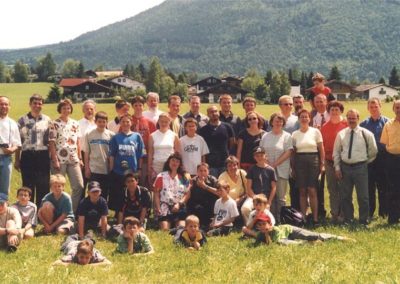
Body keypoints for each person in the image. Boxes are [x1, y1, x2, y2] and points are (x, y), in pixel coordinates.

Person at [333, 109, 377, 225]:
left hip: (360, 167)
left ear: (358, 119)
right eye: (349, 118)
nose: (351, 120)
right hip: (345, 168)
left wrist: (364, 162)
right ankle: (348, 219)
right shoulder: (341, 134)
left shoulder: (366, 134)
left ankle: (363, 220)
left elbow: (373, 151)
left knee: (363, 196)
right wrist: (337, 168)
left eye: (354, 118)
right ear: (346, 119)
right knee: (345, 196)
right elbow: (336, 152)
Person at [49, 99, 83, 212]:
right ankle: (56, 211)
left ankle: (70, 211)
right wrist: (55, 160)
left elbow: (78, 142)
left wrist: (80, 158)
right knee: (57, 187)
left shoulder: (75, 123)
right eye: (64, 108)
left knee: (79, 186)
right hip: (59, 159)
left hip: (73, 159)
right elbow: (52, 143)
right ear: (60, 109)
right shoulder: (54, 124)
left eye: (68, 108)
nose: (66, 110)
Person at [15, 94, 50, 205]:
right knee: (28, 184)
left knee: (43, 184)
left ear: (42, 105)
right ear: (30, 104)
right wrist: (17, 159)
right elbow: (17, 142)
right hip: (27, 155)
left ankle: (41, 211)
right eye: (34, 103)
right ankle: (29, 210)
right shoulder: (21, 120)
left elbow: (51, 141)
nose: (37, 105)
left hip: (43, 155)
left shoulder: (47, 120)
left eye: (39, 103)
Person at [292, 109, 325, 225]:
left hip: (313, 161)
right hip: (299, 161)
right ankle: (303, 218)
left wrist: (322, 163)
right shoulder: (295, 134)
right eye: (302, 117)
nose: (304, 119)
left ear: (309, 119)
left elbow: (321, 149)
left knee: (312, 189)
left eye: (306, 117)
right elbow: (293, 152)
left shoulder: (315, 132)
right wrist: (293, 167)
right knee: (302, 191)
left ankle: (315, 218)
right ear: (299, 119)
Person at [109, 114, 145, 213]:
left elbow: (140, 154)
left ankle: (133, 211)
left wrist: (140, 169)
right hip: (118, 171)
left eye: (127, 121)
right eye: (123, 122)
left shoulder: (137, 136)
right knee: (119, 193)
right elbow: (112, 155)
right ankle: (118, 213)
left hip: (132, 171)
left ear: (131, 123)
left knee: (132, 192)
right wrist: (111, 170)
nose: (125, 124)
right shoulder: (116, 137)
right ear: (120, 123)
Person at [260, 113, 293, 222]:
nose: (278, 123)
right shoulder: (265, 136)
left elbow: (288, 152)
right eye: (276, 121)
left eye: (280, 121)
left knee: (280, 197)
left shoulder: (287, 136)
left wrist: (275, 164)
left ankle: (281, 220)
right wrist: (268, 164)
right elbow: (261, 151)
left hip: (281, 169)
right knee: (270, 196)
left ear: (283, 123)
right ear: (271, 122)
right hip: (267, 170)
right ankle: (271, 219)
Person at [360, 98, 389, 218]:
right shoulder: (363, 124)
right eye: (371, 107)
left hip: (384, 158)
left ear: (380, 106)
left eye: (376, 106)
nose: (373, 109)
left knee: (383, 186)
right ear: (368, 108)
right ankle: (370, 212)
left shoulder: (388, 122)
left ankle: (384, 213)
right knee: (369, 187)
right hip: (369, 159)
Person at [253, 212, 353, 246]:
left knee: (311, 235)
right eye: (259, 225)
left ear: (270, 224)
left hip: (290, 230)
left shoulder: (275, 230)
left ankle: (339, 238)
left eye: (264, 224)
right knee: (286, 243)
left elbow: (274, 242)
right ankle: (310, 243)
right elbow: (256, 241)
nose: (262, 227)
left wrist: (267, 234)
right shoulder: (260, 234)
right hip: (287, 238)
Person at [321, 101, 347, 223]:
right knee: (332, 189)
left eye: (337, 109)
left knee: (343, 188)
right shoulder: (324, 127)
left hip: (343, 162)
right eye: (332, 109)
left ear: (341, 111)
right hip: (329, 162)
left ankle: (343, 214)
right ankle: (334, 213)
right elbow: (322, 146)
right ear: (329, 111)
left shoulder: (346, 125)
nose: (334, 112)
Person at [153, 153, 191, 231]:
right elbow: (156, 193)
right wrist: (158, 208)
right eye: (173, 160)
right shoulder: (161, 176)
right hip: (165, 206)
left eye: (177, 161)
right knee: (165, 230)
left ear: (180, 164)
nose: (174, 163)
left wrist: (179, 204)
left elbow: (187, 194)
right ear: (168, 162)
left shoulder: (184, 177)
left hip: (179, 207)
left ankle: (176, 225)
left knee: (182, 229)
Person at [83, 111, 114, 201]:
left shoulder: (111, 135)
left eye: (104, 122)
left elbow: (112, 154)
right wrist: (87, 168)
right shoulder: (89, 134)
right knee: (93, 191)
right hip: (94, 168)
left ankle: (102, 212)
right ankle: (92, 212)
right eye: (99, 121)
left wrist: (111, 168)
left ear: (106, 122)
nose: (101, 124)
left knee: (104, 192)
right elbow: (87, 152)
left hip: (106, 169)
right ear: (95, 121)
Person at [242, 147, 277, 223]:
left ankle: (264, 226)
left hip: (266, 197)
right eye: (257, 156)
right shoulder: (252, 169)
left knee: (266, 211)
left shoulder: (271, 170)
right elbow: (249, 187)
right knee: (245, 208)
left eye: (261, 155)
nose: (259, 157)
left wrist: (269, 202)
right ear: (254, 157)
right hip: (253, 196)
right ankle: (250, 225)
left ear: (265, 156)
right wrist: (255, 198)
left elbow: (274, 187)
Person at [199, 105, 235, 178]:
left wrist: (230, 157)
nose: (214, 113)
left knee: (225, 186)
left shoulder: (228, 127)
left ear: (218, 113)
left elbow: (232, 143)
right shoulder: (203, 130)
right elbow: (202, 148)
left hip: (225, 163)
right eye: (211, 112)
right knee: (213, 186)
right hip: (210, 165)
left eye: (215, 111)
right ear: (208, 114)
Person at [380, 100, 400, 224]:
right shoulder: (388, 124)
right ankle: (393, 217)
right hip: (392, 160)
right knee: (393, 189)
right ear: (393, 109)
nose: (399, 109)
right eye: (397, 107)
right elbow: (385, 143)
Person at [130, 95, 156, 185]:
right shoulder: (127, 121)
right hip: (130, 158)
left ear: (143, 106)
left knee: (144, 182)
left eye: (140, 105)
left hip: (145, 158)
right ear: (132, 106)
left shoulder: (150, 122)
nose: (138, 107)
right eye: (136, 105)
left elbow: (154, 142)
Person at [148, 113, 180, 184]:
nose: (164, 123)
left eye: (166, 121)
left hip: (170, 167)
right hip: (156, 166)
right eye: (162, 121)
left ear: (169, 122)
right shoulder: (152, 136)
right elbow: (150, 153)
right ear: (158, 122)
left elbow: (177, 154)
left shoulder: (174, 135)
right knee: (157, 188)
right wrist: (149, 167)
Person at [0, 96, 21, 198]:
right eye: (1, 104)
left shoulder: (13, 123)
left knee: (4, 188)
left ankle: (3, 212)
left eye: (6, 104)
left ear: (9, 106)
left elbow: (17, 143)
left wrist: (11, 150)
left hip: (6, 158)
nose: (3, 106)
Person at [186, 163, 219, 228]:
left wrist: (205, 186)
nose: (203, 173)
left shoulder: (213, 180)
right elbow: (187, 192)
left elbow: (218, 192)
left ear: (208, 171)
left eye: (205, 171)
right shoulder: (193, 181)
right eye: (200, 171)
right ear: (197, 172)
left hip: (210, 204)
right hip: (197, 205)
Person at [218, 156, 247, 221]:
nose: (233, 167)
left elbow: (248, 191)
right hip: (228, 202)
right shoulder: (222, 176)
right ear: (226, 167)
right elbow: (221, 193)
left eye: (234, 165)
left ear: (237, 165)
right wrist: (232, 202)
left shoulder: (242, 173)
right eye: (230, 166)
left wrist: (239, 199)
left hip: (242, 199)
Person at [78, 99, 97, 193]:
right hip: (82, 155)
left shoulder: (99, 123)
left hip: (95, 156)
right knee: (82, 185)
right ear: (83, 110)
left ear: (95, 110)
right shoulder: (78, 124)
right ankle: (80, 207)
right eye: (87, 109)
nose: (89, 111)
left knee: (94, 185)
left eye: (91, 109)